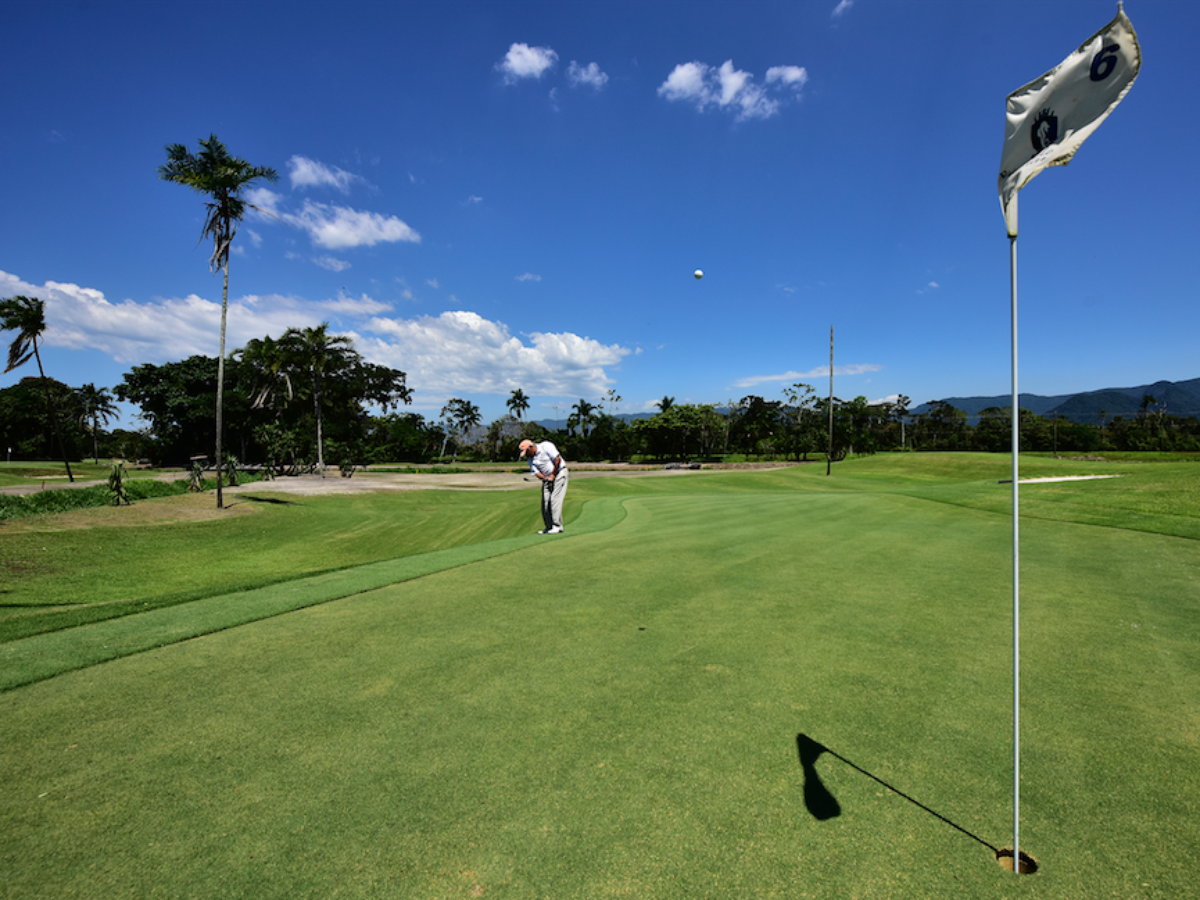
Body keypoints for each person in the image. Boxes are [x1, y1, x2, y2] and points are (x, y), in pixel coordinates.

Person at [518, 438, 569, 534]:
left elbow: (557, 459)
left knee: (554, 499)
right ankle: (549, 527)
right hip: (547, 478)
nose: (527, 455)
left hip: (559, 473)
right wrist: (545, 478)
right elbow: (536, 472)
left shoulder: (545, 446)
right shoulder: (530, 459)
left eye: (527, 452)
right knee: (545, 502)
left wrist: (553, 475)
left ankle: (557, 526)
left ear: (531, 447)